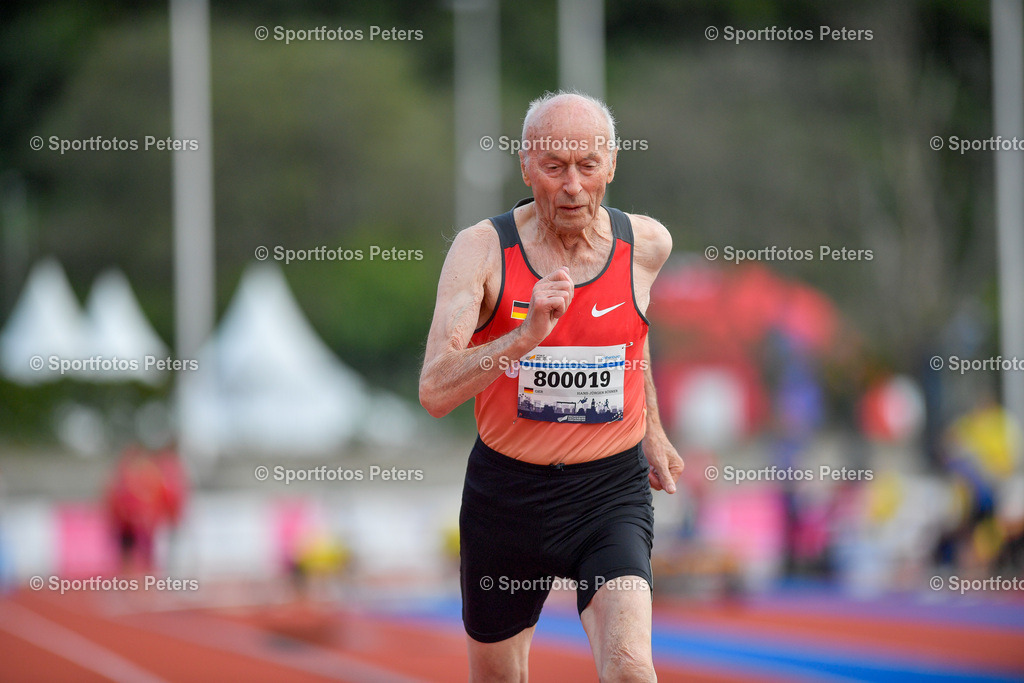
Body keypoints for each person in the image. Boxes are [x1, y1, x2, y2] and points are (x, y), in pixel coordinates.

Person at [420, 91, 684, 681]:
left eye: (588, 166)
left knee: (630, 666)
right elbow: (435, 390)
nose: (573, 186)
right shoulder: (482, 251)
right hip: (507, 497)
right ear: (524, 165)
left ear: (611, 166)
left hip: (606, 492)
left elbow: (631, 338)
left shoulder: (646, 245)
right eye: (554, 166)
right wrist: (521, 337)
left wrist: (652, 431)